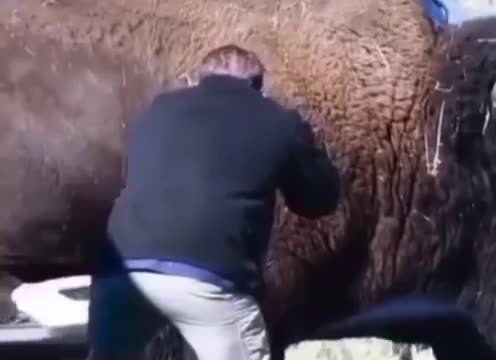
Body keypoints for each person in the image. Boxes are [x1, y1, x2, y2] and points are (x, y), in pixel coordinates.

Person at [87, 44, 341, 360]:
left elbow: (133, 175)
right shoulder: (277, 119)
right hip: (208, 279)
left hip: (121, 273)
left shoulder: (158, 109)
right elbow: (319, 199)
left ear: (198, 78)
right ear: (257, 84)